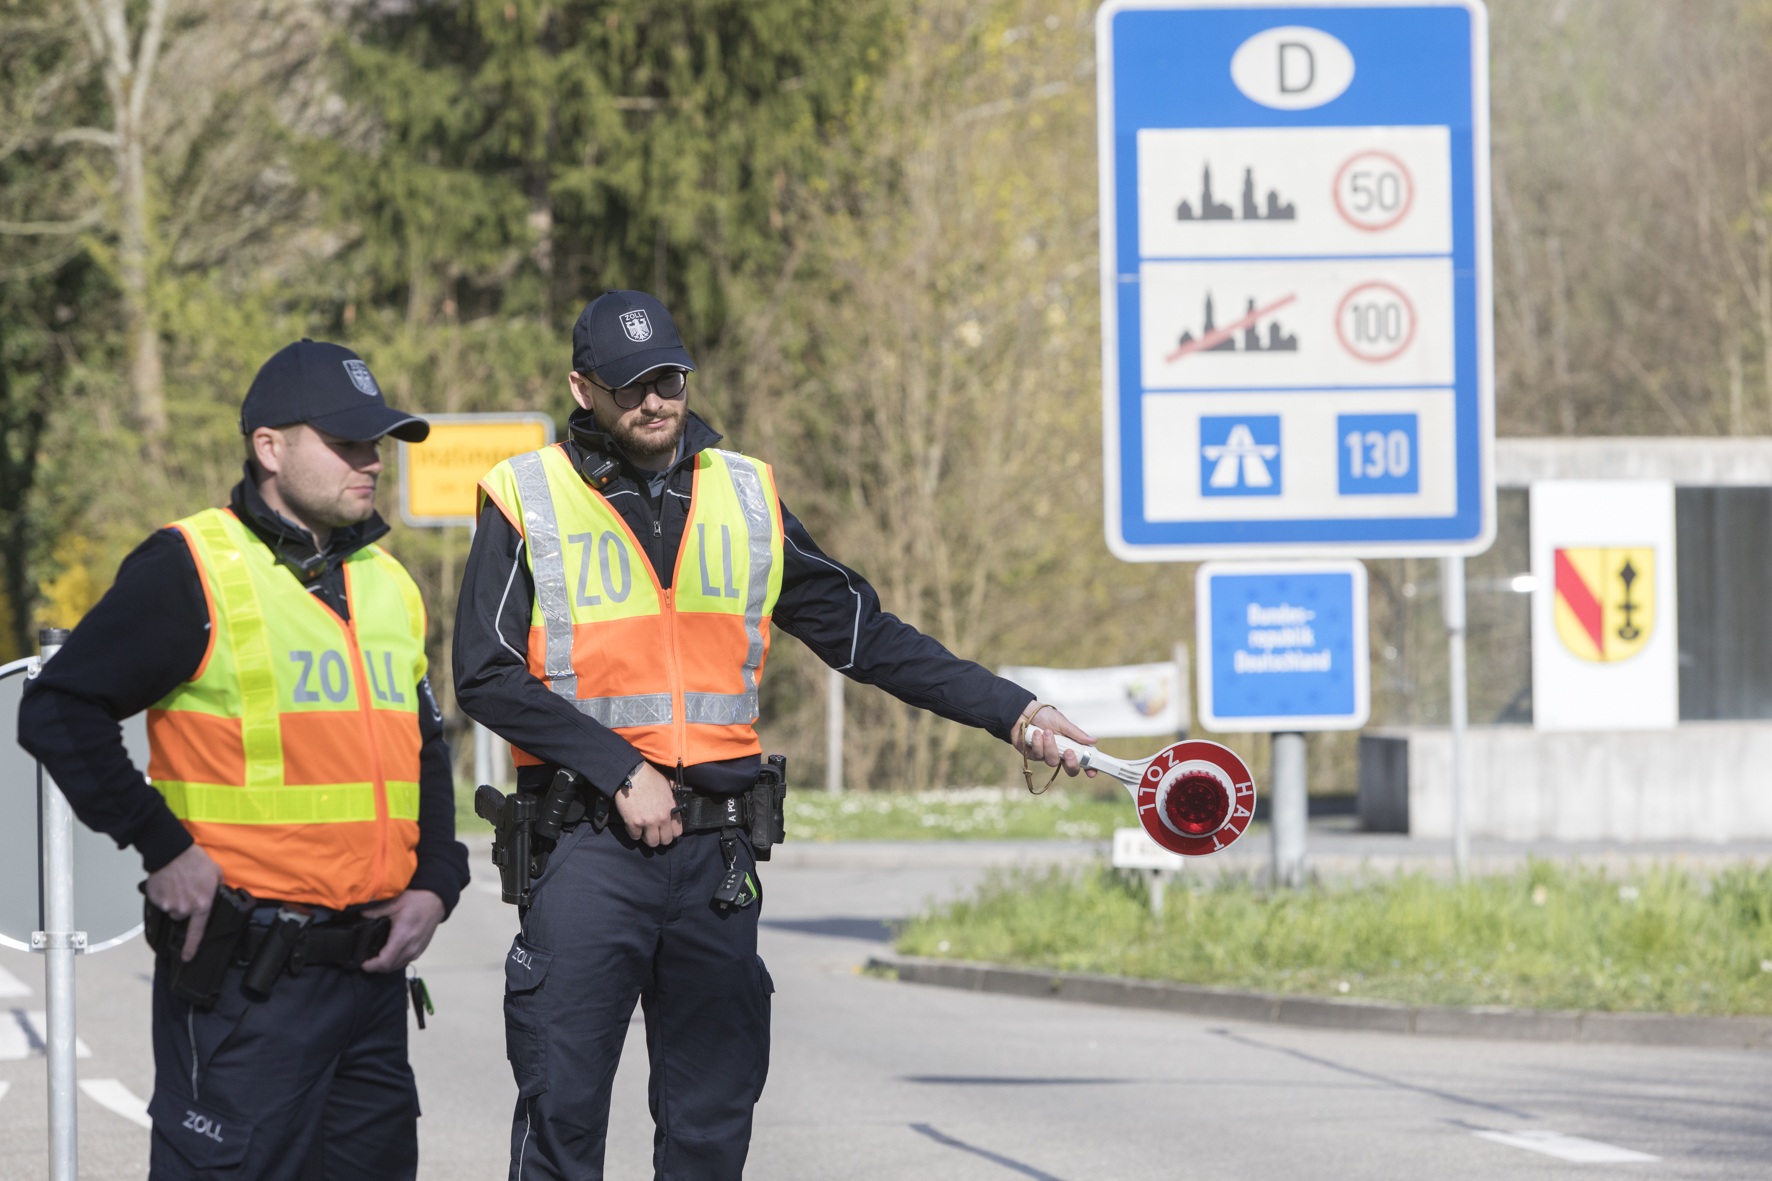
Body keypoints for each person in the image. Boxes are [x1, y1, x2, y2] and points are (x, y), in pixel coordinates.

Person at [453, 290, 1094, 1181]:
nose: (656, 400)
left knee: (712, 1130)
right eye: (632, 384)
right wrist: (616, 768)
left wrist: (1014, 712)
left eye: (669, 377)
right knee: (563, 1121)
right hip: (586, 845)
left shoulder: (745, 493)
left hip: (714, 852)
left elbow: (867, 634)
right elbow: (484, 671)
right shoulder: (527, 496)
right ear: (583, 387)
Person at [19, 340, 471, 1180]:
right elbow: (57, 709)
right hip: (246, 989)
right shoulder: (189, 567)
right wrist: (163, 847)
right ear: (270, 447)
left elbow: (424, 745)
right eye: (346, 444)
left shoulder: (386, 582)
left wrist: (437, 879)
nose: (372, 462)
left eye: (377, 444)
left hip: (370, 985)